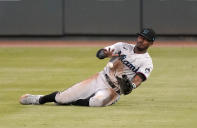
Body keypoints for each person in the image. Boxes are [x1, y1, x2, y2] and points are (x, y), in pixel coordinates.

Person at [19, 28, 156, 107]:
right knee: (62, 98)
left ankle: (74, 102)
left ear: (151, 43)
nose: (141, 40)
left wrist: (131, 86)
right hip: (99, 78)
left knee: (97, 102)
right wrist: (104, 54)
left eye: (145, 39)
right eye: (140, 37)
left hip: (114, 90)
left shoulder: (147, 62)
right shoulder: (122, 46)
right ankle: (38, 99)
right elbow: (100, 53)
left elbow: (138, 79)